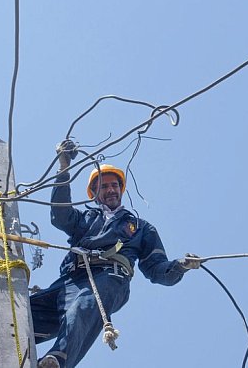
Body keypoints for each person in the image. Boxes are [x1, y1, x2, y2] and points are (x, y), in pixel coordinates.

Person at [30, 140, 202, 368]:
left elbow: (156, 269)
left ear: (121, 189)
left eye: (114, 185)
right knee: (24, 313)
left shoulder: (140, 227)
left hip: (109, 278)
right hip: (71, 280)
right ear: (94, 194)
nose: (111, 190)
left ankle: (56, 361)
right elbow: (60, 216)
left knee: (83, 306)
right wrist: (64, 167)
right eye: (104, 186)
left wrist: (180, 266)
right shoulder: (85, 219)